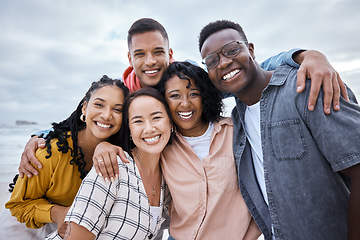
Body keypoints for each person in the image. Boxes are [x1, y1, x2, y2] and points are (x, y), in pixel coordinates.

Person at [18, 18, 348, 180]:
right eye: (140, 54)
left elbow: (246, 71)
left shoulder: (189, 82)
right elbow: (81, 122)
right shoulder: (120, 93)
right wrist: (40, 138)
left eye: (158, 52)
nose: (150, 62)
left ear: (170, 53)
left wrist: (306, 55)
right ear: (129, 57)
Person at [199, 19, 360, 240]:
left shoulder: (306, 87)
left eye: (232, 50)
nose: (224, 62)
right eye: (212, 60)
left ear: (251, 50)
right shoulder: (237, 124)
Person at [3, 75, 129, 239]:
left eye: (117, 109)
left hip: (74, 231)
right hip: (25, 229)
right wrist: (58, 213)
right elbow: (18, 205)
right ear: (84, 108)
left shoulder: (120, 154)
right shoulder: (51, 151)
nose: (106, 115)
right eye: (99, 105)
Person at [45, 87, 174, 240]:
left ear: (171, 123)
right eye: (138, 121)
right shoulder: (112, 167)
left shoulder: (168, 178)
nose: (149, 128)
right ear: (130, 130)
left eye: (157, 117)